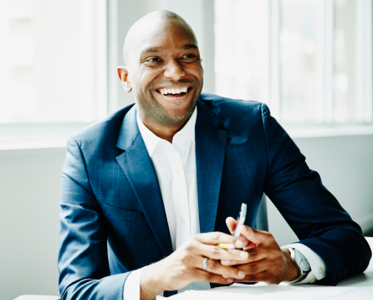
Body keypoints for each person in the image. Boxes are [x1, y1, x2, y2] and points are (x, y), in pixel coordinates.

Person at [58, 10, 371, 300]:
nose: (176, 72)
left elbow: (345, 238)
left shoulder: (253, 127)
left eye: (188, 56)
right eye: (153, 59)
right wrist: (160, 275)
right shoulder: (89, 153)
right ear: (125, 77)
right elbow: (75, 289)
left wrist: (289, 264)